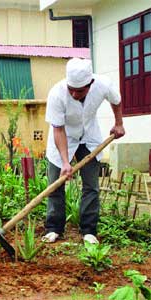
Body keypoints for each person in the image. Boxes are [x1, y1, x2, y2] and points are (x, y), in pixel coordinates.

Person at [42, 58, 125, 244]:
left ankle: (89, 230)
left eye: (79, 90)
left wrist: (119, 123)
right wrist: (65, 162)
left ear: (90, 84)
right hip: (63, 138)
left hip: (89, 136)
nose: (73, 93)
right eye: (71, 88)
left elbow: (117, 100)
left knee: (91, 186)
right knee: (55, 184)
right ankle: (54, 228)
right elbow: (58, 129)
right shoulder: (57, 93)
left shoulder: (102, 84)